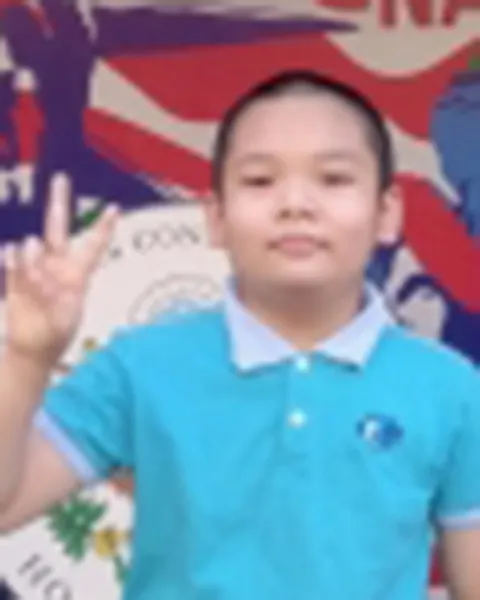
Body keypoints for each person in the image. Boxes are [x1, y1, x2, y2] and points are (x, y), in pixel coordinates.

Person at [0, 70, 479, 600]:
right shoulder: (142, 365)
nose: (296, 204)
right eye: (260, 181)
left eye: (333, 179)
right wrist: (26, 358)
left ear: (386, 213)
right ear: (216, 217)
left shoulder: (450, 388)